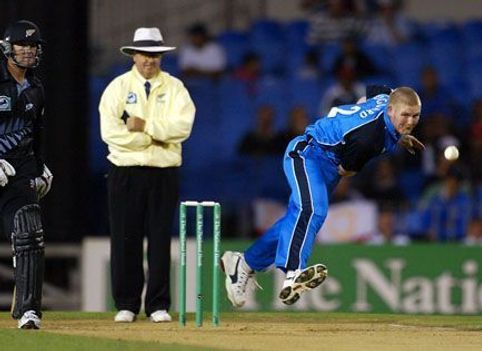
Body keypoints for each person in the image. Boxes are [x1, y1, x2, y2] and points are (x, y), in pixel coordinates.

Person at [221, 86, 424, 307]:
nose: (411, 121)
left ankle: (243, 263)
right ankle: (292, 273)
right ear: (391, 110)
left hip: (327, 158)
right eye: (405, 115)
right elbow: (346, 170)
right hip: (308, 154)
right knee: (312, 211)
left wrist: (398, 135)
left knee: (296, 220)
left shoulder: (387, 97)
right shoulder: (369, 138)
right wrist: (388, 136)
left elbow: (364, 98)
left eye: (415, 116)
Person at [99, 27, 195, 323]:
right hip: (125, 171)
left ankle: (157, 305)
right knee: (125, 238)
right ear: (134, 55)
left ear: (161, 56)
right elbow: (110, 133)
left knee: (159, 238)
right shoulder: (117, 87)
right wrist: (152, 138)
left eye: (154, 54)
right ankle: (126, 304)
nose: (149, 60)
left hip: (163, 172)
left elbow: (182, 128)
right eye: (144, 54)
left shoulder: (175, 87)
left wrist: (144, 126)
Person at [0, 20, 53, 329]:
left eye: (33, 46)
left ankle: (29, 311)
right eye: (23, 45)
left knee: (29, 233)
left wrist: (40, 167)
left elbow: (36, 134)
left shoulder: (36, 88)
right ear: (8, 48)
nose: (29, 51)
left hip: (20, 171)